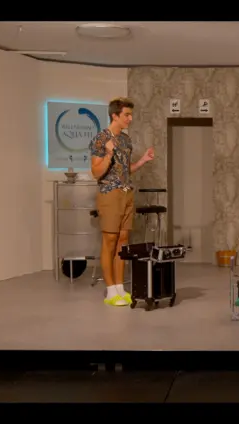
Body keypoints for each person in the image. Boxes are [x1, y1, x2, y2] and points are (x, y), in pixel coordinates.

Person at [89, 97, 155, 307]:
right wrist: (109, 153)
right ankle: (110, 291)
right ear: (114, 115)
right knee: (109, 240)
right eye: (126, 115)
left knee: (123, 240)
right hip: (109, 194)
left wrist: (142, 161)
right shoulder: (101, 138)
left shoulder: (126, 140)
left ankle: (119, 287)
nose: (130, 119)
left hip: (127, 193)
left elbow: (125, 170)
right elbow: (96, 172)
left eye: (131, 115)